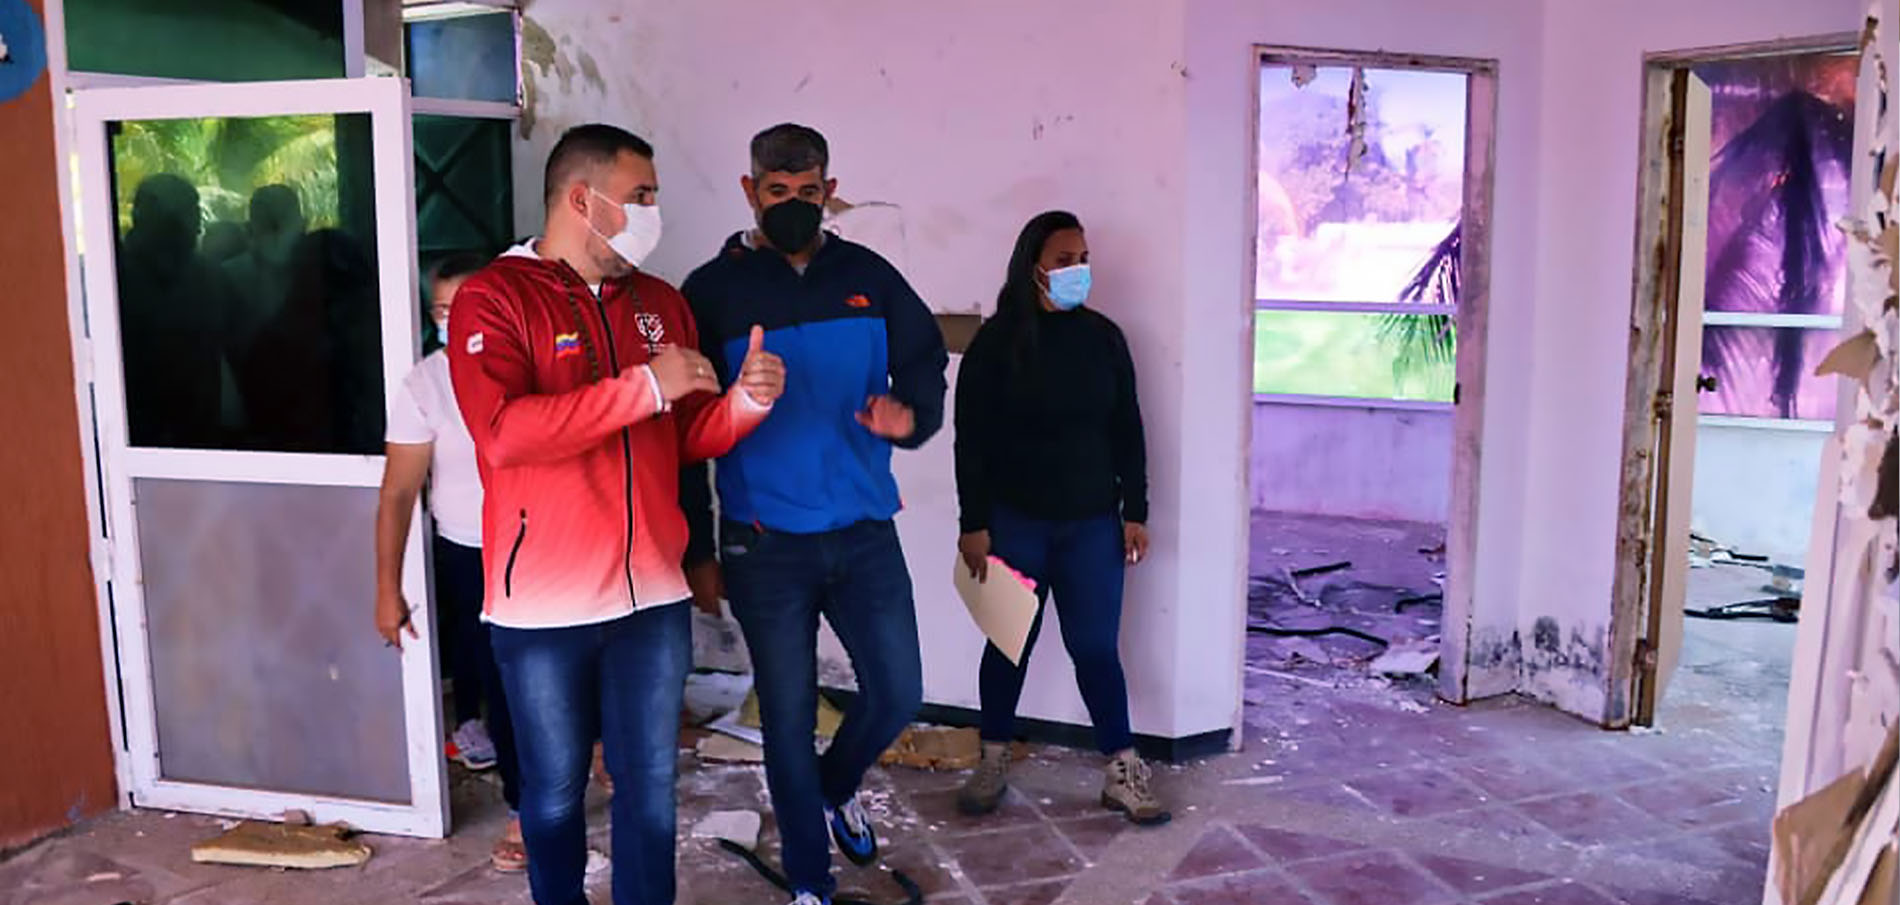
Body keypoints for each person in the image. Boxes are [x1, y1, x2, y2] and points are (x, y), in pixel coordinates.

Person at [447, 123, 786, 905]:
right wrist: (645, 386)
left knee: (649, 789)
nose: (653, 212)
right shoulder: (495, 298)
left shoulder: (661, 304)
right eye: (641, 196)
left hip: (652, 598)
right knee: (554, 794)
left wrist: (743, 404)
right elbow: (503, 434)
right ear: (582, 199)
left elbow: (681, 436)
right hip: (544, 607)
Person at [679, 123, 948, 905]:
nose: (794, 204)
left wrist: (911, 415)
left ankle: (836, 785)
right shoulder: (712, 291)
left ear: (830, 191)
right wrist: (700, 547)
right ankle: (808, 881)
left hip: (863, 531)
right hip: (765, 545)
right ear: (750, 191)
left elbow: (925, 358)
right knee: (787, 717)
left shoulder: (869, 276)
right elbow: (684, 432)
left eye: (808, 191)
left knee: (897, 691)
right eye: (777, 191)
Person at [951, 211, 1168, 825]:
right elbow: (972, 442)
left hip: (1092, 526)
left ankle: (1122, 768)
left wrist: (1135, 511)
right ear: (1033, 268)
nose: (1078, 270)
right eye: (1065, 260)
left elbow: (1128, 429)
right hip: (1014, 524)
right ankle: (992, 757)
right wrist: (973, 523)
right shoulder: (996, 344)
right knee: (1008, 643)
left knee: (1096, 648)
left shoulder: (1104, 339)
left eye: (1083, 259)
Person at [373, 251, 528, 872]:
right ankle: (525, 809)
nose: (453, 321)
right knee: (501, 683)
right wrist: (387, 588)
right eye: (441, 309)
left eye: (466, 307)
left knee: (557, 679)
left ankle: (596, 764)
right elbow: (398, 492)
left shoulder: (533, 369)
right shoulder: (427, 383)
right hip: (469, 551)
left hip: (545, 548)